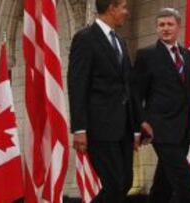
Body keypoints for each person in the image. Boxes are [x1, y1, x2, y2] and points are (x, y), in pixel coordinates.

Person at [131, 8, 190, 203]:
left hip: (184, 129)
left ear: (178, 26)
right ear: (157, 28)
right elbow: (136, 94)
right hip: (160, 130)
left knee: (164, 183)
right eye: (161, 25)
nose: (165, 28)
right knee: (184, 181)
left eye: (169, 24)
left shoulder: (189, 56)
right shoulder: (146, 55)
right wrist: (139, 124)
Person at [67, 0, 136, 202]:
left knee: (125, 183)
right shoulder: (85, 39)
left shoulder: (120, 42)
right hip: (100, 127)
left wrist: (138, 124)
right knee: (114, 183)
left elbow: (128, 85)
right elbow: (77, 85)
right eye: (123, 7)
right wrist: (79, 128)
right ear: (111, 8)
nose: (126, 12)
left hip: (123, 126)